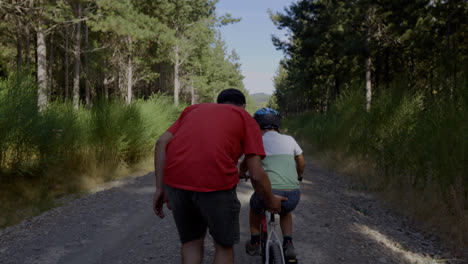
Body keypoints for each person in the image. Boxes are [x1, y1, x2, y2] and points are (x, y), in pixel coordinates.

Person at [152, 89, 286, 264]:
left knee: (191, 243)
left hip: (176, 183)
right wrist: (270, 200)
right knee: (223, 246)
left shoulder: (193, 110)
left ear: (218, 103)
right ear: (243, 106)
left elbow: (161, 142)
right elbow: (256, 174)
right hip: (216, 185)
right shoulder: (244, 117)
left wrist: (160, 188)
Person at [240, 107, 306, 259]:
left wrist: (242, 173)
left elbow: (246, 163)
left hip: (267, 193)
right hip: (292, 193)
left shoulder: (257, 141)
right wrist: (297, 176)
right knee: (285, 211)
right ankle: (288, 243)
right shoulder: (290, 140)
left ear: (257, 125)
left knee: (255, 208)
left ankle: (255, 242)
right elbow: (301, 163)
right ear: (277, 125)